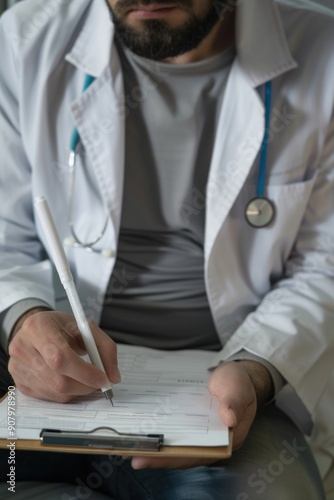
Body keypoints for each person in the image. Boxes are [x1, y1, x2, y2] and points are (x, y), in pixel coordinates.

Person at [0, 0, 333, 498]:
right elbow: (6, 237)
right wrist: (22, 320)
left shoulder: (323, 52)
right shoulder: (24, 40)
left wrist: (255, 370)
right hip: (49, 369)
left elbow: (323, 266)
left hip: (227, 379)